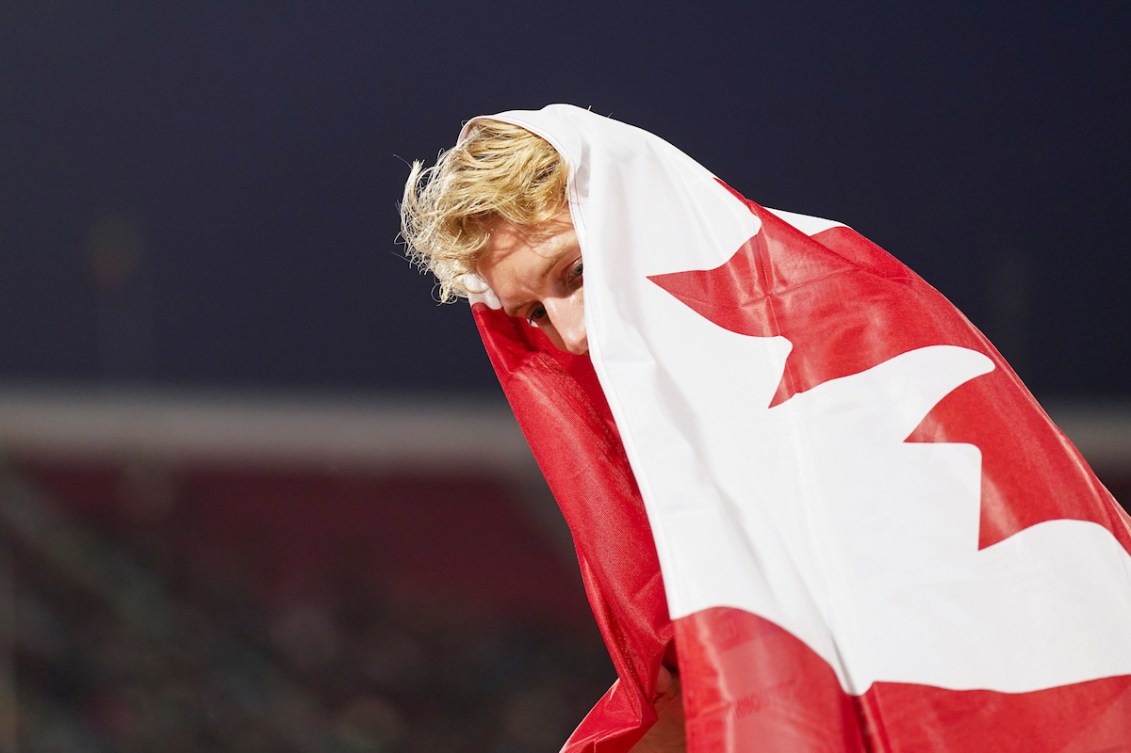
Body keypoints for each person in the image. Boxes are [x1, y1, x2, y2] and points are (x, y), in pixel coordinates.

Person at [400, 105, 1131, 753]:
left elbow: (969, 627)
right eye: (530, 314)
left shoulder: (841, 315)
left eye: (577, 271)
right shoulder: (675, 427)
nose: (569, 335)